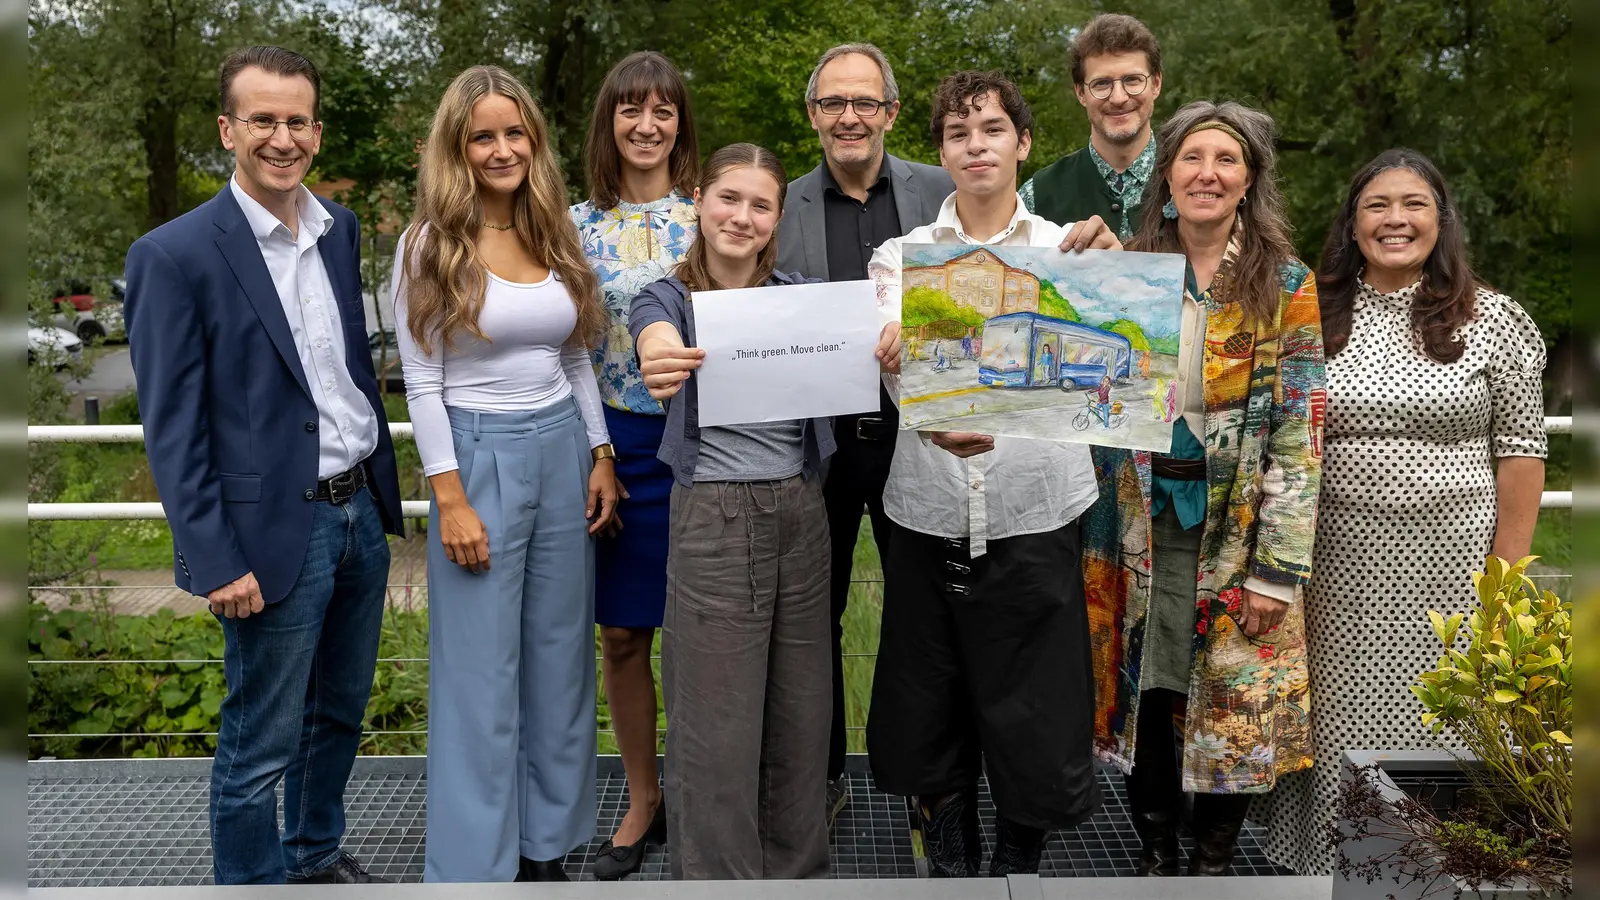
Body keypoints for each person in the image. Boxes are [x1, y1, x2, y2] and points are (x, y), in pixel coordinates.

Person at [123, 45, 404, 885]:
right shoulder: (174, 254)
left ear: (316, 131)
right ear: (228, 130)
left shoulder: (336, 229)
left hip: (358, 514)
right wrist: (215, 558)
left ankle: (313, 855)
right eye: (262, 120)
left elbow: (340, 369)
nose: (282, 138)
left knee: (339, 714)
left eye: (296, 121)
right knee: (260, 738)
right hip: (270, 534)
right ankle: (251, 885)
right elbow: (172, 428)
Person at [1255, 148, 1548, 876]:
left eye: (1413, 204)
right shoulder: (1311, 309)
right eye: (1377, 205)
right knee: (1338, 721)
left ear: (1440, 219)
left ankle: (1431, 874)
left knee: (1442, 722)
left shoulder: (1493, 318)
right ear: (1352, 224)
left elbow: (1520, 450)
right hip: (1335, 569)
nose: (1395, 219)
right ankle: (1326, 875)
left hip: (1452, 574)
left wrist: (1504, 583)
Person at [866, 70, 1119, 878]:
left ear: (1023, 143)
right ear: (939, 150)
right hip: (926, 507)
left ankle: (1020, 865)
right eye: (957, 132)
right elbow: (896, 373)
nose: (975, 146)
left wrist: (1117, 279)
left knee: (1035, 712)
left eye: (990, 129)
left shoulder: (1072, 253)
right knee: (927, 706)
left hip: (1035, 508)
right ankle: (949, 864)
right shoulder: (898, 258)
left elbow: (1136, 363)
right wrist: (916, 392)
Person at [1080, 100, 1325, 878]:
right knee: (1148, 680)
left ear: (1249, 179)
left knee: (1235, 689)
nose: (1207, 174)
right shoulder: (1129, 273)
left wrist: (1275, 570)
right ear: (1167, 173)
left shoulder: (1285, 284)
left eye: (1226, 160)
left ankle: (1215, 857)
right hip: (1135, 519)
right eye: (1192, 158)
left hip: (1239, 525)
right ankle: (1155, 849)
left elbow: (1300, 431)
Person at [392, 64, 621, 883]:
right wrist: (448, 497)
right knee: (480, 677)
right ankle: (474, 864)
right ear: (459, 147)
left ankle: (546, 849)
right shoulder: (428, 244)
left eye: (514, 132)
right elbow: (422, 382)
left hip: (562, 450)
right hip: (476, 458)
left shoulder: (555, 230)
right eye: (482, 135)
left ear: (534, 140)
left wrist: (598, 454)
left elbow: (575, 356)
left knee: (561, 662)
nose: (501, 149)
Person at [630, 143, 835, 881]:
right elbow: (652, 337)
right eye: (728, 198)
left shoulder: (801, 297)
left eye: (760, 204)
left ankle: (796, 878)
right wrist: (660, 354)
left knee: (801, 716)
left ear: (778, 217)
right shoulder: (666, 299)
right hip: (713, 518)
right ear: (698, 203)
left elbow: (855, 350)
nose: (741, 217)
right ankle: (718, 887)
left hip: (801, 512)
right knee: (714, 727)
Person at [774, 42, 953, 823]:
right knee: (814, 616)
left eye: (864, 102)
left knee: (924, 613)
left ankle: (928, 777)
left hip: (922, 439)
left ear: (891, 111)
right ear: (813, 114)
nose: (849, 117)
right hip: (819, 449)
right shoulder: (778, 205)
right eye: (831, 103)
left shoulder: (945, 191)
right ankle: (819, 778)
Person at [568, 50, 699, 880]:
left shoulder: (713, 214)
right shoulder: (573, 226)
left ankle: (703, 792)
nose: (646, 126)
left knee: (705, 636)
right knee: (623, 634)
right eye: (630, 111)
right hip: (618, 443)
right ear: (608, 122)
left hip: (707, 445)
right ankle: (643, 799)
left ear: (681, 122)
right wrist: (600, 452)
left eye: (663, 111)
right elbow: (571, 351)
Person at [1021, 13, 1162, 240]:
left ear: (1156, 84)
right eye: (1101, 83)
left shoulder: (1195, 179)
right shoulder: (1036, 196)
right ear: (1081, 93)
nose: (1118, 97)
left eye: (1132, 80)